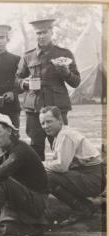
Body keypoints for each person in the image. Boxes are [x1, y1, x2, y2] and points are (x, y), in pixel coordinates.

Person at [16, 18, 81, 160]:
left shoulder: (64, 54)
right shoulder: (28, 56)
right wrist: (25, 83)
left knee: (61, 144)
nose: (41, 36)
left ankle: (62, 179)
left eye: (45, 32)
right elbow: (16, 81)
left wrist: (66, 72)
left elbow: (76, 82)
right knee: (35, 147)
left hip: (57, 107)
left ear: (52, 32)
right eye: (38, 33)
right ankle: (38, 180)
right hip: (34, 109)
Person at [40, 106, 104, 224]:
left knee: (47, 177)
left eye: (49, 121)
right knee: (49, 174)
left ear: (60, 120)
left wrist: (41, 164)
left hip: (93, 180)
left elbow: (61, 166)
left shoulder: (65, 135)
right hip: (92, 177)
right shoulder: (61, 134)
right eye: (42, 123)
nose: (45, 126)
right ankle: (85, 205)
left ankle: (81, 208)